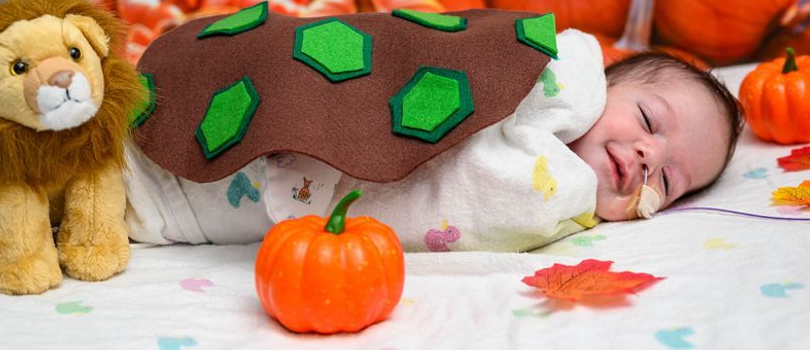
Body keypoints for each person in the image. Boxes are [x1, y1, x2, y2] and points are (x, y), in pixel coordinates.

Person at [123, 28, 743, 252]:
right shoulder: (548, 75)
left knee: (101, 205)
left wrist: (580, 195)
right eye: (649, 121)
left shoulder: (563, 205)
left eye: (668, 178)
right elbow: (412, 55)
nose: (647, 156)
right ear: (604, 82)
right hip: (257, 113)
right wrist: (572, 79)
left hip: (184, 210)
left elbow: (497, 193)